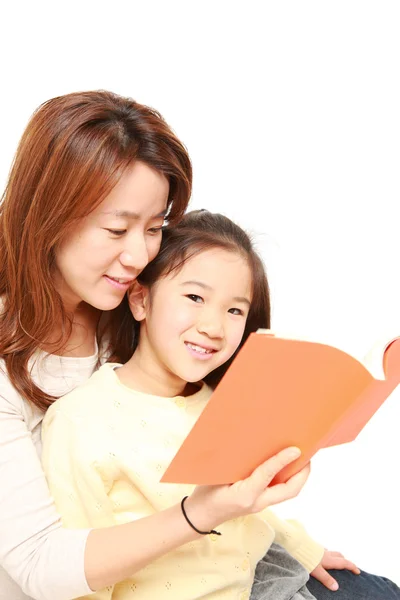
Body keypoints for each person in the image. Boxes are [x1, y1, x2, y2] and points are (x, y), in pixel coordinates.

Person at [0, 91, 397, 600]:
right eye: (116, 229)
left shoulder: (133, 300)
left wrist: (294, 535)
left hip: (217, 543)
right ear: (49, 213)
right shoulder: (51, 389)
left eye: (153, 228)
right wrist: (201, 513)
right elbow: (42, 566)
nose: (138, 255)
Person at [41, 209, 314, 599]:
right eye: (194, 297)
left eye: (234, 309)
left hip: (263, 580)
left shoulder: (224, 402)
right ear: (140, 300)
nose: (213, 327)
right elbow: (77, 573)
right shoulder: (80, 422)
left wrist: (308, 551)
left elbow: (242, 507)